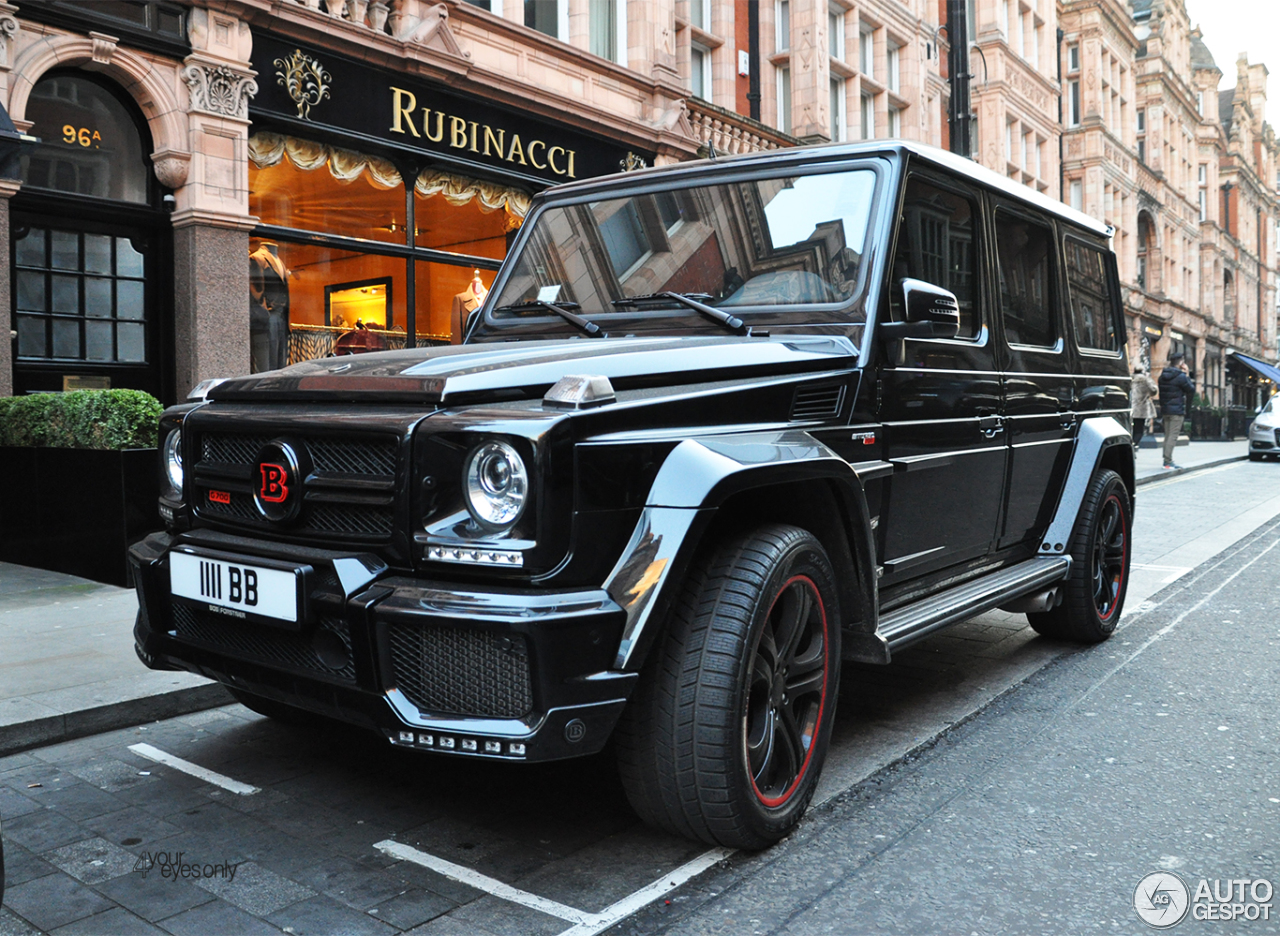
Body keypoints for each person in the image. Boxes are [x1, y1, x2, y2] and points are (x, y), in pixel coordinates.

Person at [1158, 353, 1195, 469]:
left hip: (1165, 410)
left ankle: (1166, 459)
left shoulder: (1162, 376)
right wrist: (1187, 374)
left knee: (1167, 435)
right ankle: (1168, 461)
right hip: (1176, 411)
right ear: (1181, 363)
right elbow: (1191, 390)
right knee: (1172, 436)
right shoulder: (1181, 376)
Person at [1130, 363, 1159, 450]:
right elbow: (1153, 391)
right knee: (1139, 428)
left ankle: (1131, 444)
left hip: (1129, 407)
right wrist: (1149, 378)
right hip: (1141, 408)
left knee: (1130, 427)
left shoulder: (1130, 378)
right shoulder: (1146, 380)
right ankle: (1134, 445)